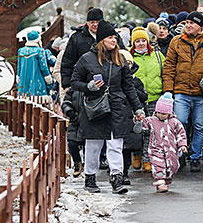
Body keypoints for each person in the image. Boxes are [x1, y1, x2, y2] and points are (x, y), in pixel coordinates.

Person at [71, 20, 145, 194]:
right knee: (94, 145)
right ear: (102, 39)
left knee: (115, 145)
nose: (114, 40)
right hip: (95, 106)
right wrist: (88, 86)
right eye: (110, 37)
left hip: (117, 107)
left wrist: (137, 108)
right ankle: (90, 178)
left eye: (115, 37)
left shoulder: (120, 59)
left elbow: (129, 86)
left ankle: (117, 179)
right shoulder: (86, 59)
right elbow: (74, 82)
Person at [162, 11, 203, 172]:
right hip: (180, 90)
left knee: (200, 126)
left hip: (202, 92)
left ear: (200, 26)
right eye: (187, 23)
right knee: (180, 123)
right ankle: (181, 153)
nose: (188, 25)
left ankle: (195, 157)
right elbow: (169, 67)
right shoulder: (176, 41)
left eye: (192, 23)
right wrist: (168, 90)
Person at [135, 92, 187, 193]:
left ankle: (164, 182)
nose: (160, 115)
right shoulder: (152, 120)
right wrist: (139, 120)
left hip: (171, 149)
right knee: (158, 164)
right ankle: (160, 180)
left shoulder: (175, 122)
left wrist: (182, 145)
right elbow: (144, 125)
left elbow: (181, 134)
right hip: (156, 148)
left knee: (172, 166)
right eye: (158, 112)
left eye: (163, 113)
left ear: (169, 112)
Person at [130, 27, 165, 172]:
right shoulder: (129, 57)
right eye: (137, 41)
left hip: (154, 97)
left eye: (143, 40)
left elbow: (165, 72)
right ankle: (136, 154)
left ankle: (147, 158)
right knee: (137, 129)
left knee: (151, 131)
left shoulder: (157, 55)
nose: (141, 43)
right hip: (136, 99)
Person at [119, 49, 148, 185]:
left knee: (129, 146)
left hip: (131, 116)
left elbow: (144, 96)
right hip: (118, 114)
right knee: (118, 147)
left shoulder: (136, 80)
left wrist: (131, 87)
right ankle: (118, 172)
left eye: (129, 63)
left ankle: (125, 172)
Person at [61, 8, 104, 90]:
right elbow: (67, 61)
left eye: (98, 22)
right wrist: (66, 84)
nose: (95, 25)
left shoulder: (109, 36)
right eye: (92, 22)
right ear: (87, 23)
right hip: (82, 83)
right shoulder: (76, 38)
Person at [17, 30, 53, 96]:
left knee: (23, 101)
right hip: (37, 81)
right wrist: (48, 78)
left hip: (23, 82)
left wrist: (18, 76)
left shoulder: (21, 51)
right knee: (38, 101)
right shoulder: (40, 51)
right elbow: (44, 67)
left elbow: (19, 67)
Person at [61, 87, 85, 178]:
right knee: (72, 143)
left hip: (90, 121)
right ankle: (77, 163)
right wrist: (70, 112)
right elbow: (66, 103)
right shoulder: (74, 88)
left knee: (90, 146)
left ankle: (89, 168)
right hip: (75, 121)